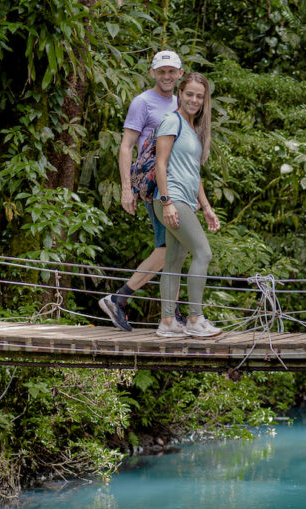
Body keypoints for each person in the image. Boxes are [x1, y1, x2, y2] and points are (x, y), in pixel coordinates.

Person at [98, 50, 184, 331]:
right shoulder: (142, 102)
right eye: (162, 71)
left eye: (172, 71)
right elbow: (126, 145)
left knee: (173, 249)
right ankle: (120, 298)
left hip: (176, 184)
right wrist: (126, 189)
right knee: (169, 247)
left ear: (180, 74)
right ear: (153, 73)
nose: (167, 76)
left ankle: (171, 314)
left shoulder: (182, 102)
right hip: (154, 185)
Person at [152, 73, 223, 338]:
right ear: (180, 94)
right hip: (172, 200)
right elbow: (161, 163)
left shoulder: (193, 129)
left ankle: (168, 322)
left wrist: (206, 207)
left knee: (174, 261)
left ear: (205, 101)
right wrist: (167, 201)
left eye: (200, 96)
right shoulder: (172, 120)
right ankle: (195, 319)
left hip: (185, 200)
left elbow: (194, 174)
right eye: (190, 94)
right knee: (203, 253)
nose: (194, 99)